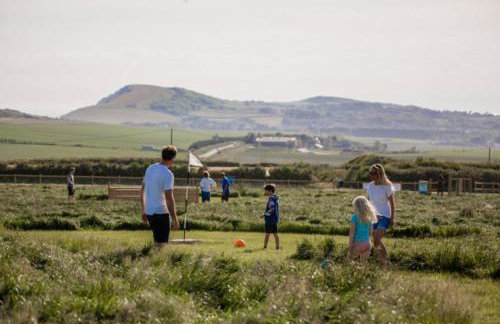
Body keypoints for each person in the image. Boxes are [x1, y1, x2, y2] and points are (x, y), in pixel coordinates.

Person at [141, 146, 180, 245]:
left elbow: (143, 190)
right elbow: (169, 199)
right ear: (172, 158)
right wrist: (175, 218)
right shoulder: (168, 174)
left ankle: (153, 259)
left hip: (150, 211)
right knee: (162, 244)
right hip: (162, 212)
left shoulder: (150, 168)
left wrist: (144, 210)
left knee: (156, 242)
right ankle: (158, 260)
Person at [366, 164, 396, 265]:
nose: (371, 175)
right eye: (370, 173)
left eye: (373, 173)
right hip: (374, 217)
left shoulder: (387, 187)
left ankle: (387, 261)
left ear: (379, 173)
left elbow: (392, 204)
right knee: (375, 241)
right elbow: (368, 202)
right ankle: (383, 262)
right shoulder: (369, 186)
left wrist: (392, 218)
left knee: (377, 239)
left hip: (385, 216)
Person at [347, 196, 377, 263]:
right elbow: (370, 233)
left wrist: (350, 244)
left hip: (357, 243)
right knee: (364, 262)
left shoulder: (354, 217)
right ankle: (366, 273)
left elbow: (352, 232)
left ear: (356, 207)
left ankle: (351, 272)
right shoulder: (369, 218)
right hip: (367, 244)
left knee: (348, 260)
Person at [260, 184, 280, 250]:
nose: (265, 192)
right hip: (274, 219)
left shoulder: (271, 199)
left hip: (269, 220)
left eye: (266, 191)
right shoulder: (275, 198)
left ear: (270, 191)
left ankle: (265, 247)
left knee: (267, 233)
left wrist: (264, 214)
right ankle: (277, 247)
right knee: (275, 234)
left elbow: (271, 209)